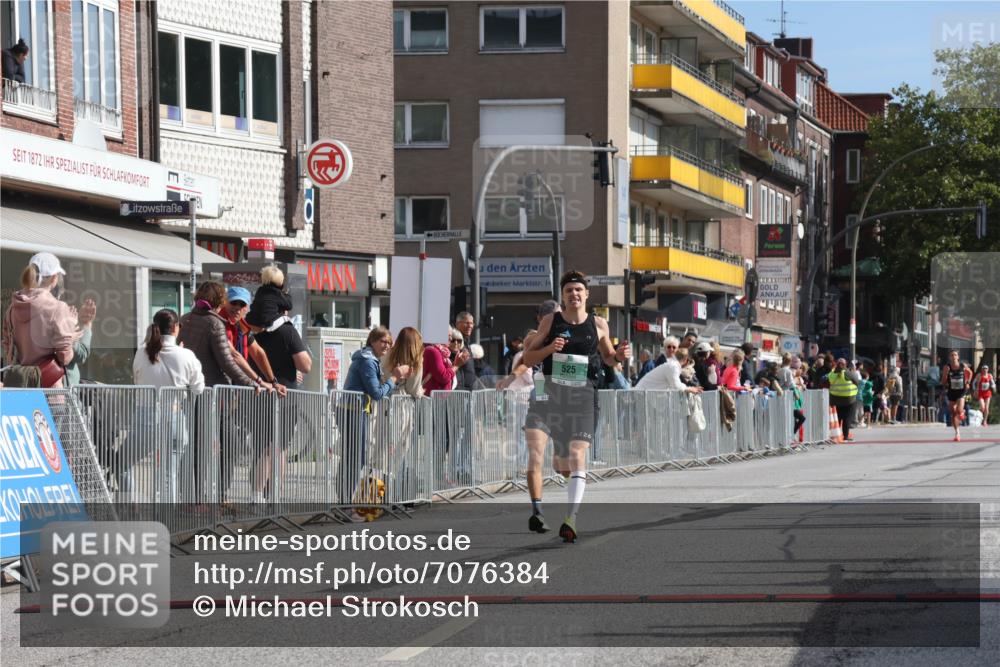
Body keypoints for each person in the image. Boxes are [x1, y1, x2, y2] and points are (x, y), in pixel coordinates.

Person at [520, 271, 630, 543]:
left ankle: (571, 518)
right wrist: (549, 350)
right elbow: (527, 357)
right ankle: (570, 486)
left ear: (586, 294)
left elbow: (609, 359)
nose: (574, 294)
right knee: (560, 464)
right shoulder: (551, 321)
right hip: (552, 396)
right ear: (563, 295)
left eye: (578, 290)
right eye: (569, 290)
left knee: (576, 452)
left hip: (583, 397)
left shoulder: (599, 324)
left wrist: (619, 356)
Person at [340, 327, 412, 507]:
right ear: (372, 341)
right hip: (353, 410)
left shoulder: (371, 359)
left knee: (356, 457)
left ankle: (347, 500)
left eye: (389, 342)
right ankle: (347, 501)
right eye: (383, 341)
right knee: (355, 458)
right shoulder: (367, 361)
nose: (387, 345)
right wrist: (395, 377)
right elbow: (377, 393)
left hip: (357, 409)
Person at [2, 253, 85, 388]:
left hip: (21, 385)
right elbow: (64, 357)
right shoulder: (58, 308)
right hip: (50, 388)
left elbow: (8, 348)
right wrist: (71, 336)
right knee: (56, 410)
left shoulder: (12, 309)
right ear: (54, 278)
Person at [220, 286, 281, 393]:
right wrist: (259, 381)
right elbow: (234, 356)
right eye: (234, 302)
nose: (237, 308)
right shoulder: (219, 322)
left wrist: (273, 382)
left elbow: (258, 352)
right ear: (225, 302)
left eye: (242, 304)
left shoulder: (242, 326)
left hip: (234, 385)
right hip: (218, 383)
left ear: (247, 308)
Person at [133, 309, 204, 391]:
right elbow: (198, 389)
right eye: (179, 326)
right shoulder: (187, 355)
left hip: (145, 403)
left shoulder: (141, 353)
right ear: (174, 327)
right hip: (174, 404)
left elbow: (137, 381)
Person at [635, 336, 703, 394]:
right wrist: (689, 389)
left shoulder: (673, 364)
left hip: (651, 394)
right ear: (665, 348)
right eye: (669, 347)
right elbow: (676, 385)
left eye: (674, 347)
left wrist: (689, 387)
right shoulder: (671, 365)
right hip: (644, 394)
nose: (671, 349)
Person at [423, 328, 466, 394]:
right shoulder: (433, 351)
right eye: (448, 336)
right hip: (432, 400)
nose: (451, 339)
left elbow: (447, 375)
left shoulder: (442, 353)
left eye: (451, 336)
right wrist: (456, 365)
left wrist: (455, 363)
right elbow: (444, 377)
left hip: (439, 399)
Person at [941, 350, 972, 442]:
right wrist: (946, 374)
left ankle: (962, 412)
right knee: (953, 412)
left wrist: (968, 383)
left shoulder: (962, 366)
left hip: (961, 391)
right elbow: (943, 381)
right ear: (950, 357)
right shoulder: (947, 367)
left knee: (958, 409)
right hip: (951, 391)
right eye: (952, 355)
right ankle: (957, 433)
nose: (953, 356)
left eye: (955, 355)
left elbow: (970, 373)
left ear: (958, 357)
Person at [826, 358, 859, 442]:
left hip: (836, 399)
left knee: (838, 417)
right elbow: (856, 381)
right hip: (849, 399)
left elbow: (828, 381)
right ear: (845, 364)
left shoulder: (832, 373)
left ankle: (836, 435)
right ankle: (845, 436)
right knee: (847, 418)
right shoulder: (847, 372)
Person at [453, 311, 478, 390]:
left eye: (472, 323)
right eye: (467, 323)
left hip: (467, 393)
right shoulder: (454, 342)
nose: (470, 326)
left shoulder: (466, 343)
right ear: (457, 324)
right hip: (458, 393)